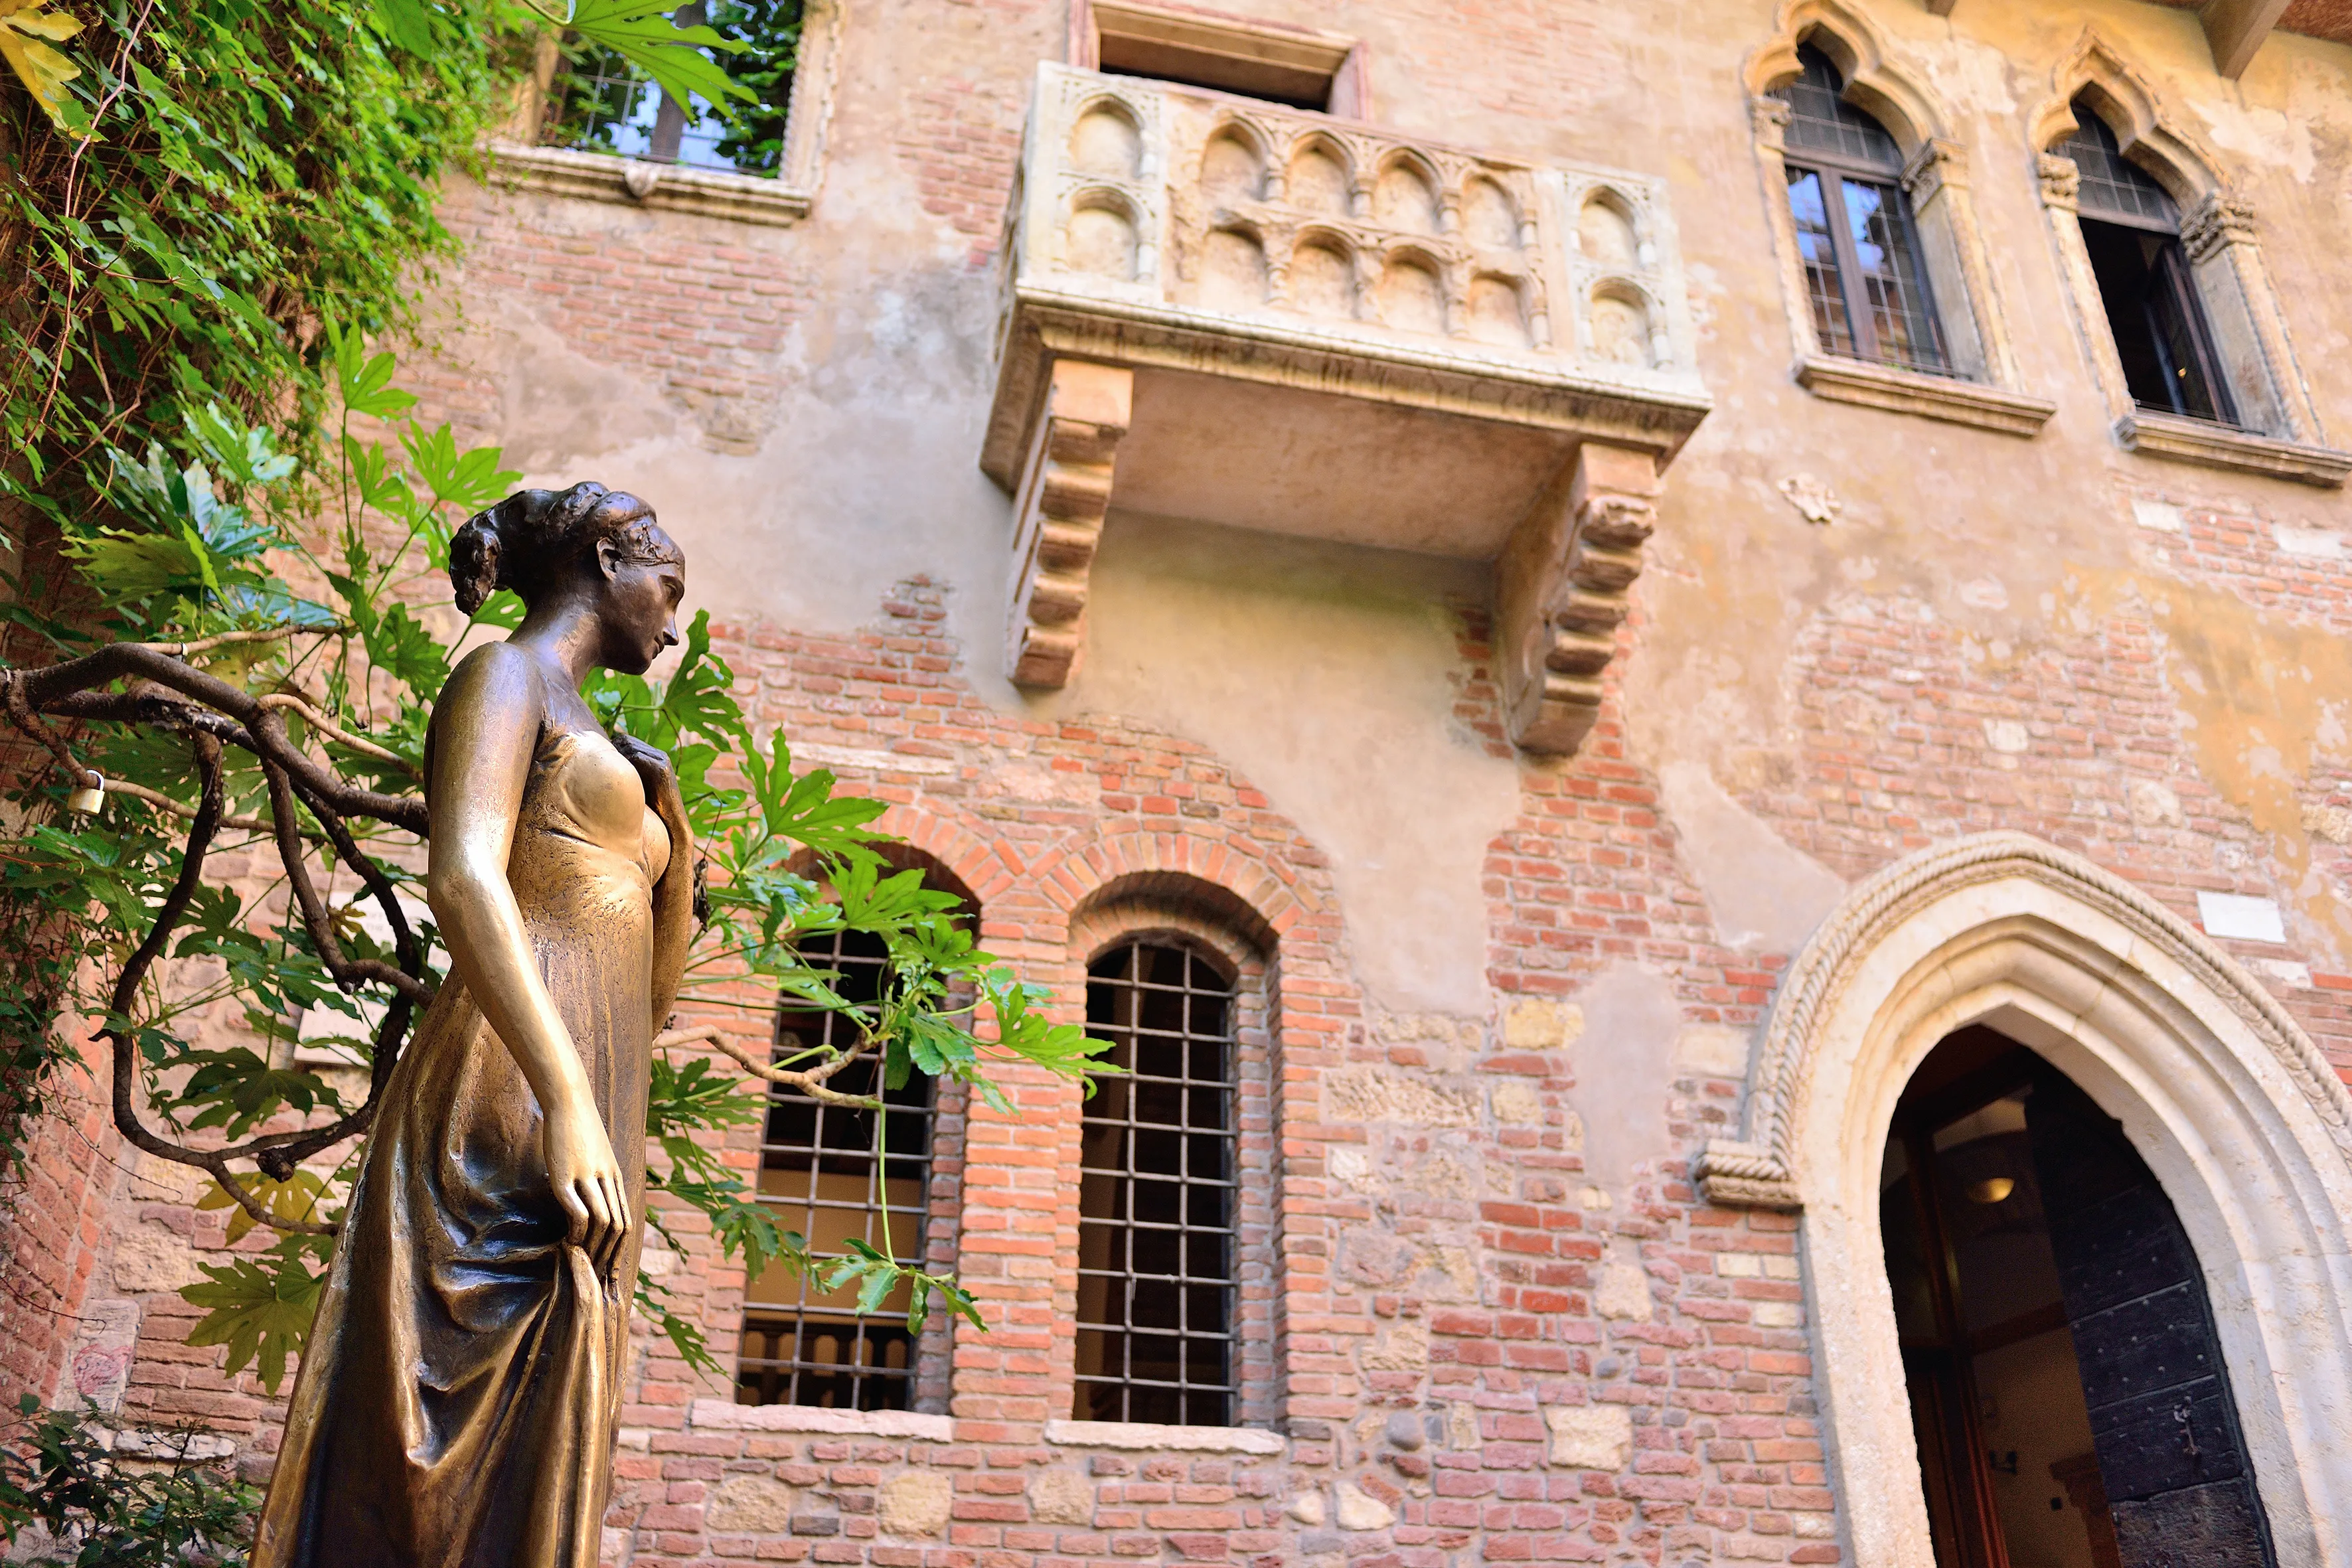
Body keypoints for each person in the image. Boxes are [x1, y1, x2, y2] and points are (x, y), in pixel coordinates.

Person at [254, 483, 696, 1568]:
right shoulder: (503, 675)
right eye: (667, 588)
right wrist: (564, 1097)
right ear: (605, 558)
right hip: (508, 1085)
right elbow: (462, 875)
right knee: (432, 1435)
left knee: (551, 1439)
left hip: (594, 1090)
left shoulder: (618, 748)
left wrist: (674, 831)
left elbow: (652, 1003)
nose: (673, 622)